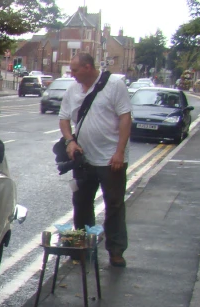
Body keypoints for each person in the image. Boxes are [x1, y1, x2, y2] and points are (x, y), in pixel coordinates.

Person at [59, 53, 132, 267]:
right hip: (83, 159)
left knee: (114, 205)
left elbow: (125, 118)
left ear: (89, 67)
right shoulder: (72, 90)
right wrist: (70, 142)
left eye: (75, 70)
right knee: (81, 203)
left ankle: (116, 251)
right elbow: (64, 119)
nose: (71, 75)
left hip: (111, 159)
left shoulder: (114, 85)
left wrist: (120, 152)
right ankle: (82, 248)